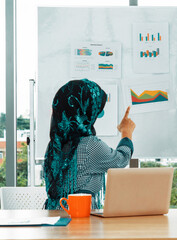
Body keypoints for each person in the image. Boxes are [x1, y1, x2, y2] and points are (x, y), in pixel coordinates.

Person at [44, 79, 136, 209]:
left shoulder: (53, 146)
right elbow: (121, 159)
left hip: (55, 215)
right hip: (79, 217)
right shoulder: (89, 145)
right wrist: (126, 132)